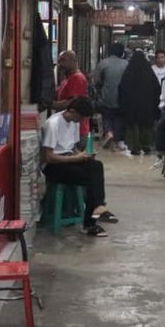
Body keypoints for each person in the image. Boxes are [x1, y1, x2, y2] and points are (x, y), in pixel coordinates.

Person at [40, 97, 116, 237]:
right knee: (91, 178)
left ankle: (98, 207)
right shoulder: (53, 124)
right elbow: (48, 157)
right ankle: (90, 222)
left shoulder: (74, 122)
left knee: (96, 166)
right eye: (80, 117)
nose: (80, 121)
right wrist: (75, 158)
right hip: (54, 166)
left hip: (69, 159)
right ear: (72, 111)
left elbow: (72, 147)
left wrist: (83, 155)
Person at [119, 50, 161, 156]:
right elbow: (157, 89)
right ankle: (146, 145)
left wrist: (123, 105)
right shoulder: (149, 72)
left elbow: (122, 89)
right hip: (147, 106)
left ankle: (134, 146)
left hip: (132, 107)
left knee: (133, 126)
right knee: (146, 126)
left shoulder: (128, 73)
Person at [92, 43, 129, 150]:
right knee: (118, 118)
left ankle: (109, 133)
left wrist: (100, 90)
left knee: (107, 116)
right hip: (121, 97)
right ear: (122, 52)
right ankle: (116, 141)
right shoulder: (126, 64)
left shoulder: (103, 63)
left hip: (106, 95)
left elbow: (97, 81)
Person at [52, 50, 90, 142]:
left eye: (63, 60)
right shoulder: (67, 79)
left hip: (76, 131)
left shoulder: (77, 78)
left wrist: (50, 104)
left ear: (73, 61)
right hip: (68, 129)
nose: (60, 64)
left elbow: (71, 103)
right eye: (59, 61)